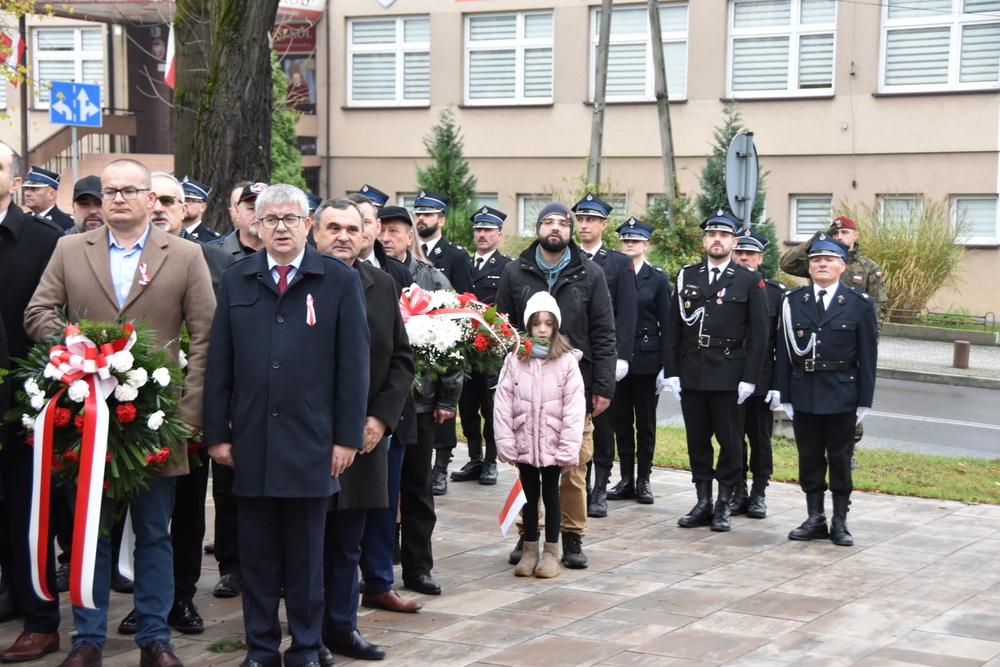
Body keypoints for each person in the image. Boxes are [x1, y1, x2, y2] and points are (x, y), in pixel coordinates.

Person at [25, 157, 216, 667]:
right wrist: (75, 348)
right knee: (94, 531)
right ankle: (88, 638)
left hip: (156, 418)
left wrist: (191, 409)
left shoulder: (186, 255)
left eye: (130, 191)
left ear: (152, 200)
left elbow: (206, 336)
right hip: (85, 417)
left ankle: (155, 637)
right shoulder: (69, 249)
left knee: (155, 532)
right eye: (110, 192)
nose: (118, 200)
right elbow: (38, 312)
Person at [203, 184, 370, 667]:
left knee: (306, 558)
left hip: (312, 444)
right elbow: (220, 363)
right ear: (255, 224)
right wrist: (217, 433)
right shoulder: (237, 279)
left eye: (289, 218)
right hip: (252, 442)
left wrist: (345, 438)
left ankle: (304, 646)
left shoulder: (338, 280)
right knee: (255, 557)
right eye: (270, 219)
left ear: (306, 224)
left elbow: (353, 367)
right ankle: (259, 648)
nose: (279, 227)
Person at [114, 171, 235, 639]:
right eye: (154, 198)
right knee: (137, 512)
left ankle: (181, 596)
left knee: (186, 509)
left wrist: (208, 405)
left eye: (170, 199)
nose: (160, 206)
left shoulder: (214, 260)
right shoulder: (118, 257)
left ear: (187, 209)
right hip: (130, 410)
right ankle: (148, 598)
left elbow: (220, 337)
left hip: (191, 408)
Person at [313, 198, 414, 663]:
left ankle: (342, 627)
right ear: (315, 234)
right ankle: (308, 632)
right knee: (307, 542)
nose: (343, 237)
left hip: (365, 438)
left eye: (353, 229)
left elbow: (400, 359)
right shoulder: (299, 281)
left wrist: (380, 417)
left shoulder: (382, 283)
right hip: (308, 438)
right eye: (333, 227)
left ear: (368, 235)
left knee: (347, 543)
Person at [495, 202, 616, 570]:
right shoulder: (515, 272)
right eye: (546, 222)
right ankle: (527, 534)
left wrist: (604, 385)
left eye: (561, 223)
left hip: (573, 386)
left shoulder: (589, 273)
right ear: (538, 228)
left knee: (573, 466)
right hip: (527, 387)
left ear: (570, 229)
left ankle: (572, 536)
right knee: (528, 466)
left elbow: (604, 333)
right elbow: (501, 328)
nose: (554, 229)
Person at [663, 210, 769, 533]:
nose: (717, 240)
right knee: (697, 440)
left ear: (734, 242)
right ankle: (702, 501)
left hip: (729, 373)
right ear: (705, 240)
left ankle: (724, 501)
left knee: (730, 442)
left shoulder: (749, 280)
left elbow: (760, 334)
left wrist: (749, 378)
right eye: (712, 235)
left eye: (724, 235)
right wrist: (672, 371)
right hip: (692, 370)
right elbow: (673, 327)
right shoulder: (687, 276)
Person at [0, 141, 64, 664]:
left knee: (29, 516)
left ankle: (41, 621)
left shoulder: (45, 241)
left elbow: (56, 322)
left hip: (22, 405)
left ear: (16, 180)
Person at [777, 235, 878, 547]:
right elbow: (783, 352)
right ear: (808, 267)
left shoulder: (859, 304)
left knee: (840, 459)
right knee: (808, 458)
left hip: (841, 394)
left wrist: (864, 400)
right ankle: (814, 517)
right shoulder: (793, 302)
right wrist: (785, 395)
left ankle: (839, 520)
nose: (822, 264)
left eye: (829, 260)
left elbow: (868, 356)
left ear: (841, 266)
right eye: (816, 260)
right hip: (804, 391)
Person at [495, 292, 585, 579]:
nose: (542, 329)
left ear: (556, 326)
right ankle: (530, 549)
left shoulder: (567, 361)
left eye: (548, 323)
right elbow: (503, 403)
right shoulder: (515, 359)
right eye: (536, 324)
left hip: (553, 443)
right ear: (528, 327)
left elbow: (574, 407)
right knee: (529, 496)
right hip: (525, 443)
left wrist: (568, 447)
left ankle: (550, 552)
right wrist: (506, 441)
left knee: (552, 494)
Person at [207, 181, 259, 601]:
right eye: (249, 205)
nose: (257, 213)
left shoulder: (291, 256)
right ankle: (231, 565)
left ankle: (265, 564)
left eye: (265, 205)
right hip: (234, 389)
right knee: (227, 485)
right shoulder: (214, 256)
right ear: (234, 212)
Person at [571, 193, 637, 518]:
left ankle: (600, 488)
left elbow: (626, 313)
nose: (584, 225)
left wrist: (619, 357)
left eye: (591, 220)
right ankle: (577, 486)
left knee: (604, 422)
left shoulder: (618, 263)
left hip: (603, 357)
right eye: (580, 219)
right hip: (570, 358)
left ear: (603, 225)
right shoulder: (564, 258)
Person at [412, 190, 473, 496]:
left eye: (428, 214)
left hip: (441, 340)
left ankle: (441, 466)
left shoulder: (456, 255)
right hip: (414, 343)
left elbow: (461, 303)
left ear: (441, 220)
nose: (422, 218)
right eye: (418, 213)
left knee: (443, 406)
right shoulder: (405, 253)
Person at [608, 217, 670, 505]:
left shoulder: (657, 278)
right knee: (620, 420)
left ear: (646, 245)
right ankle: (625, 479)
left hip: (647, 357)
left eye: (635, 241)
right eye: (625, 240)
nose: (629, 245)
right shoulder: (613, 273)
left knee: (644, 423)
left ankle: (644, 479)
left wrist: (666, 367)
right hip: (618, 355)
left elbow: (667, 324)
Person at [452, 206, 513, 486]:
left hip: (491, 350)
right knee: (467, 405)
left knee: (490, 408)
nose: (482, 234)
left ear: (499, 235)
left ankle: (491, 461)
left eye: (488, 230)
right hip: (465, 348)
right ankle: (474, 458)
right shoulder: (462, 262)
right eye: (478, 229)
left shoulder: (507, 267)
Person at [729, 229, 785, 519]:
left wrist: (778, 384)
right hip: (729, 375)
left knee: (760, 439)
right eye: (739, 252)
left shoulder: (775, 292)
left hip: (762, 377)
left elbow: (783, 345)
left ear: (760, 258)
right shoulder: (723, 286)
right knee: (732, 437)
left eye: (749, 254)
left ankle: (759, 492)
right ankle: (738, 491)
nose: (743, 258)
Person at [779, 216, 887, 333]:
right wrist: (813, 241)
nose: (839, 237)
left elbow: (877, 305)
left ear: (855, 236)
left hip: (849, 328)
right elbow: (786, 264)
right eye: (835, 233)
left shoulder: (868, 266)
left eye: (844, 232)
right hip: (817, 323)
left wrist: (872, 338)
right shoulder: (819, 263)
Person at [378, 205, 452, 292]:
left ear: (409, 237)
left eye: (393, 231)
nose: (385, 238)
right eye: (380, 231)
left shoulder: (433, 279)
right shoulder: (363, 272)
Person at [212, 182, 264, 260]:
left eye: (264, 209)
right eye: (252, 208)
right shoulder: (213, 254)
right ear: (237, 211)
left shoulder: (285, 255)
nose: (258, 215)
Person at [21, 165, 73, 231]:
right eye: (26, 189)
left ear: (51, 194)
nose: (27, 193)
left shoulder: (68, 223)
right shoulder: (21, 219)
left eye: (34, 189)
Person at [181, 176, 221, 243]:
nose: (183, 205)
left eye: (189, 200)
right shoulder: (167, 235)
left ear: (202, 207)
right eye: (180, 200)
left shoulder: (214, 240)